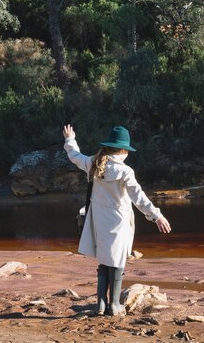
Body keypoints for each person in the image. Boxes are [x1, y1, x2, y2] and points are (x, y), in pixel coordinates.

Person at [62, 124, 172, 316]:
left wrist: (70, 139)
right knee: (117, 261)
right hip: (118, 222)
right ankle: (114, 305)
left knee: (104, 260)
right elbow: (139, 198)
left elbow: (74, 156)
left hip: (99, 220)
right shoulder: (125, 171)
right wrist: (157, 216)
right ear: (123, 151)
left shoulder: (94, 164)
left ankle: (101, 305)